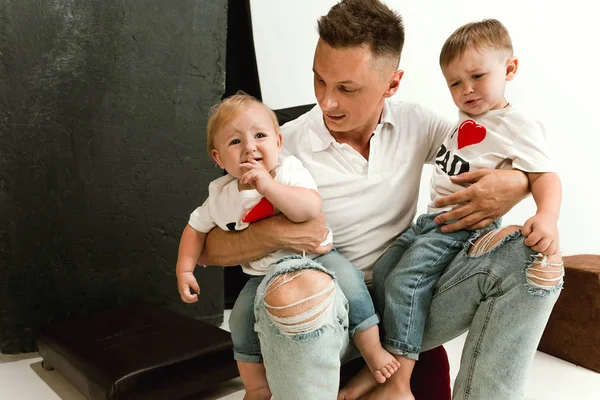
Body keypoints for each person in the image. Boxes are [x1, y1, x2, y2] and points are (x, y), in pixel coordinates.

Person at [199, 1, 565, 399]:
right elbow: (209, 246)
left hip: (405, 303)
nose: (326, 101)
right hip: (326, 314)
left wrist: (515, 182)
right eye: (319, 81)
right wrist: (280, 233)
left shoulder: (418, 123)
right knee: (295, 289)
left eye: (346, 88)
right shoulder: (280, 146)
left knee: (536, 258)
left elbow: (495, 152)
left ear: (392, 84)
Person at [370, 18, 563, 400]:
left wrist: (547, 216)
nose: (466, 90)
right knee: (384, 272)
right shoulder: (465, 120)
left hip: (462, 225)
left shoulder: (518, 124)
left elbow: (546, 175)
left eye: (477, 76)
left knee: (404, 282)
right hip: (429, 221)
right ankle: (377, 362)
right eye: (455, 83)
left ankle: (398, 381)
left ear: (510, 69)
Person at [175, 92, 399, 400]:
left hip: (316, 259)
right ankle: (256, 387)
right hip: (262, 275)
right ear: (218, 158)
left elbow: (309, 209)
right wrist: (185, 269)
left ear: (278, 143)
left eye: (260, 136)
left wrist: (268, 186)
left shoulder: (287, 171)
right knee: (239, 320)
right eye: (235, 142)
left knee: (351, 281)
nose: (250, 147)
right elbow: (195, 229)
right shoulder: (219, 195)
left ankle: (371, 348)